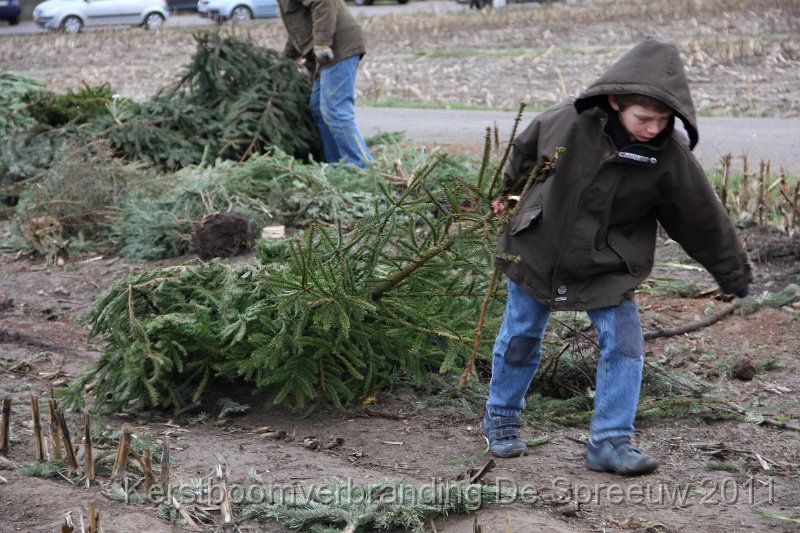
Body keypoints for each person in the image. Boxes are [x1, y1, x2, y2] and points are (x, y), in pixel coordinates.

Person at [482, 36, 752, 475]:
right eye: (643, 118)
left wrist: (733, 275)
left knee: (625, 345)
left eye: (664, 119)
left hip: (609, 264)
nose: (653, 127)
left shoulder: (668, 157)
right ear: (613, 101)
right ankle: (502, 416)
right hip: (538, 249)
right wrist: (507, 194)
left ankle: (610, 441)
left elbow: (702, 219)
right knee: (522, 336)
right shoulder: (564, 123)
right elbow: (524, 154)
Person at [278, 0, 373, 168]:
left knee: (335, 110)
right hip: (325, 52)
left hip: (338, 46)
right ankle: (337, 165)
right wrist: (285, 60)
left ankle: (362, 168)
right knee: (318, 108)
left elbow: (323, 2)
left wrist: (322, 43)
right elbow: (297, 29)